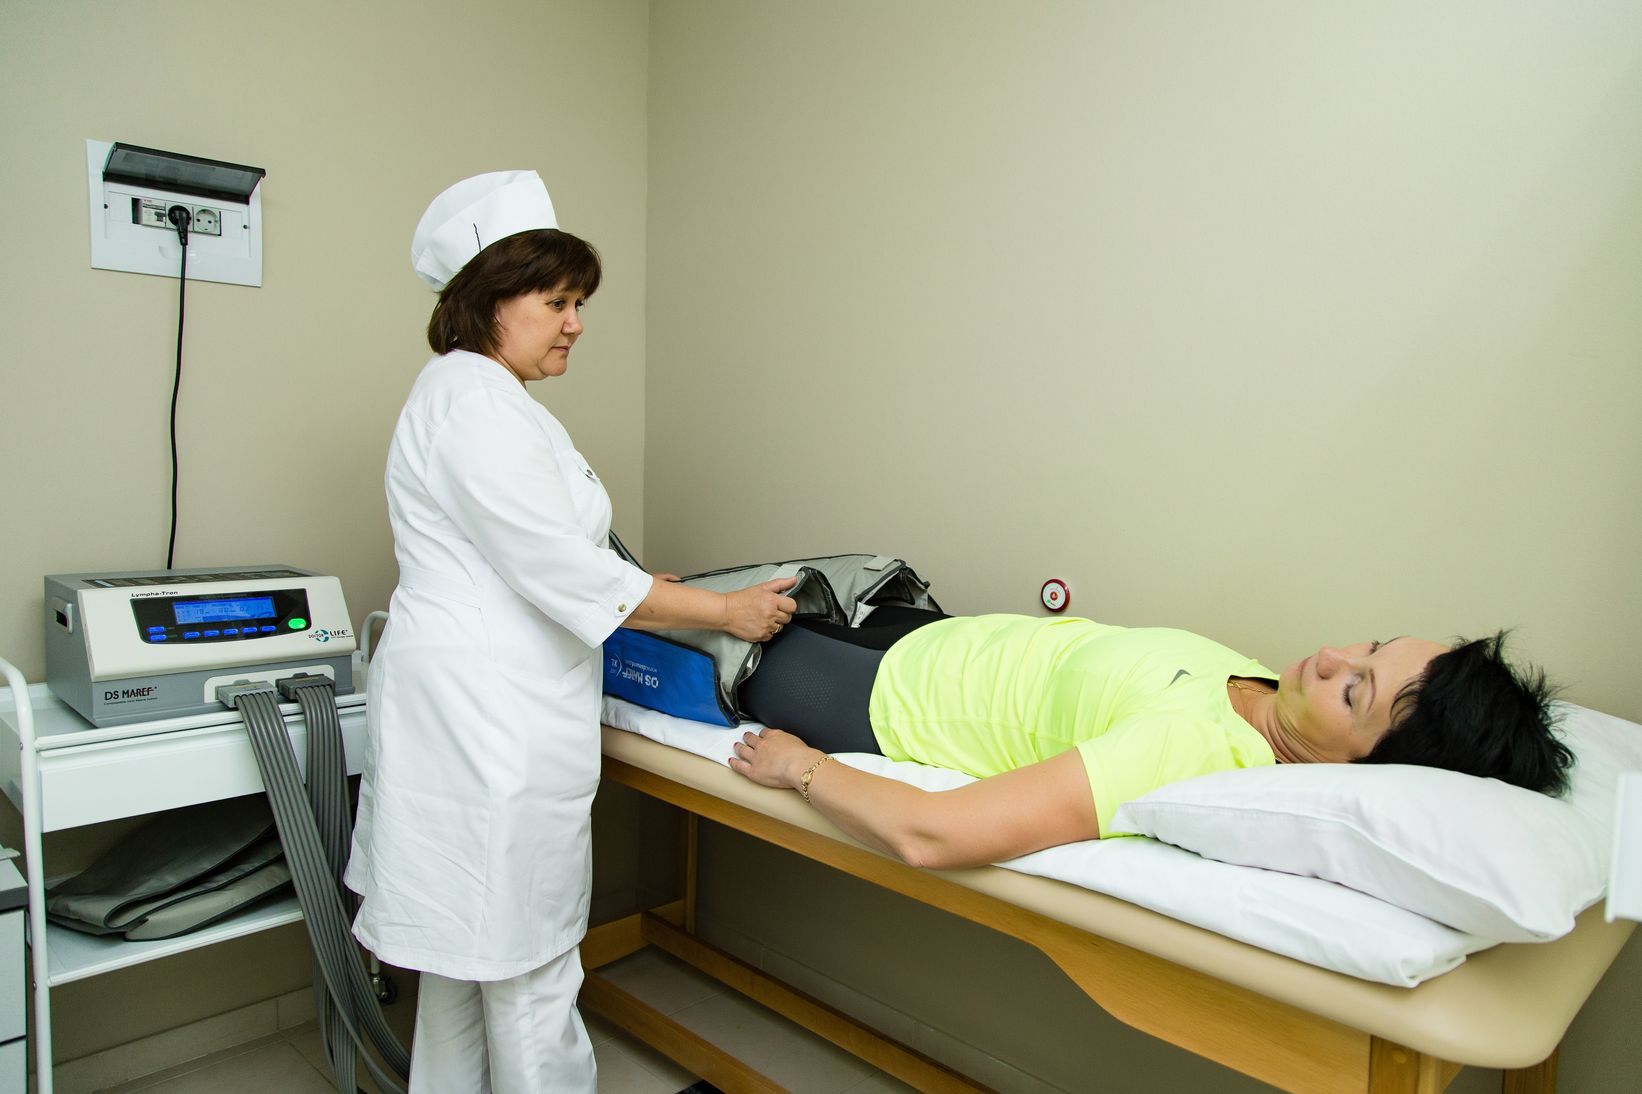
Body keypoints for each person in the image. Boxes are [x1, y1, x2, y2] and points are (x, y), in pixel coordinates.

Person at [345, 170, 797, 1094]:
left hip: (477, 704)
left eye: (577, 303)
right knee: (529, 971)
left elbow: (539, 551)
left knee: (468, 967)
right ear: (488, 304)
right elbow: (561, 569)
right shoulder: (475, 403)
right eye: (555, 303)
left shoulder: (480, 398)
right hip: (487, 717)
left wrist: (641, 587)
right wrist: (726, 612)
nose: (575, 324)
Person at [728, 609, 1569, 870]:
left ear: (1366, 768)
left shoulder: (1193, 755)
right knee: (716, 592)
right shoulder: (1265, 693)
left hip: (881, 699)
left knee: (672, 624)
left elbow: (934, 834)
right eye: (1371, 648)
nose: (1332, 655)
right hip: (931, 635)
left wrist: (803, 768)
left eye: (1355, 690)